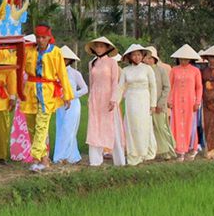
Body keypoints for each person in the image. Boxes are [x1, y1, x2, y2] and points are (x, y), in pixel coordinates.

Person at [21, 25, 73, 172]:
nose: (40, 40)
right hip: (30, 89)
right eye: (38, 37)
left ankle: (35, 157)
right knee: (32, 125)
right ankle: (44, 160)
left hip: (47, 91)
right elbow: (20, 67)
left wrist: (67, 95)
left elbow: (62, 74)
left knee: (41, 125)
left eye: (43, 37)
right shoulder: (29, 51)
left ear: (49, 37)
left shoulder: (55, 52)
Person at [113, 44, 157, 166]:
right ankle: (133, 154)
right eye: (134, 55)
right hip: (131, 99)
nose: (136, 57)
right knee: (132, 126)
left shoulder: (148, 69)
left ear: (142, 56)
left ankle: (144, 152)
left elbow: (153, 87)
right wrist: (116, 102)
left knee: (143, 125)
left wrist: (153, 104)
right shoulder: (126, 70)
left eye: (139, 54)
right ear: (130, 57)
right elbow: (120, 87)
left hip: (144, 98)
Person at [85, 36, 124, 167]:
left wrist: (113, 99)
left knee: (112, 127)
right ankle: (95, 160)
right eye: (97, 46)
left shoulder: (112, 63)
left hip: (108, 98)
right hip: (96, 98)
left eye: (102, 46)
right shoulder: (92, 63)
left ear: (107, 48)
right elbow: (91, 83)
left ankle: (119, 160)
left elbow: (114, 82)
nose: (99, 49)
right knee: (94, 127)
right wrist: (90, 98)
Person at [168, 45, 203, 160]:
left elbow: (199, 87)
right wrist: (169, 100)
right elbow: (170, 86)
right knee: (177, 123)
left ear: (190, 59)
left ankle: (191, 148)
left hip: (190, 101)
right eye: (182, 58)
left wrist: (198, 101)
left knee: (190, 123)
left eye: (186, 59)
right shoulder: (174, 70)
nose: (184, 61)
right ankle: (179, 149)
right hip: (177, 101)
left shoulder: (195, 71)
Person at [53, 45, 86, 164]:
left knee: (69, 129)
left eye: (65, 59)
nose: (63, 61)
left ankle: (65, 156)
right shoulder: (54, 73)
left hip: (73, 104)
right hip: (60, 104)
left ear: (70, 60)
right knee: (61, 129)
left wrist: (71, 95)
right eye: (61, 58)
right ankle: (66, 156)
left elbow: (85, 89)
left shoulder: (75, 73)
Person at [9, 35, 36, 163]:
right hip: (22, 102)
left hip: (33, 100)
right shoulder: (19, 65)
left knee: (35, 127)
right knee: (21, 128)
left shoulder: (35, 66)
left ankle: (36, 153)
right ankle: (20, 153)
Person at [144, 46, 175, 160]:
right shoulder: (143, 70)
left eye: (150, 58)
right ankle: (152, 151)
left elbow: (166, 87)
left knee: (161, 128)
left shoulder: (161, 70)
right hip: (146, 104)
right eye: (146, 58)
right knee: (149, 129)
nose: (148, 60)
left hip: (159, 104)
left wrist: (160, 103)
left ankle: (168, 151)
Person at [0, 45, 19, 165]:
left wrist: (12, 96)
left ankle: (2, 157)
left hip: (0, 97)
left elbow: (11, 74)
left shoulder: (6, 53)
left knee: (2, 130)